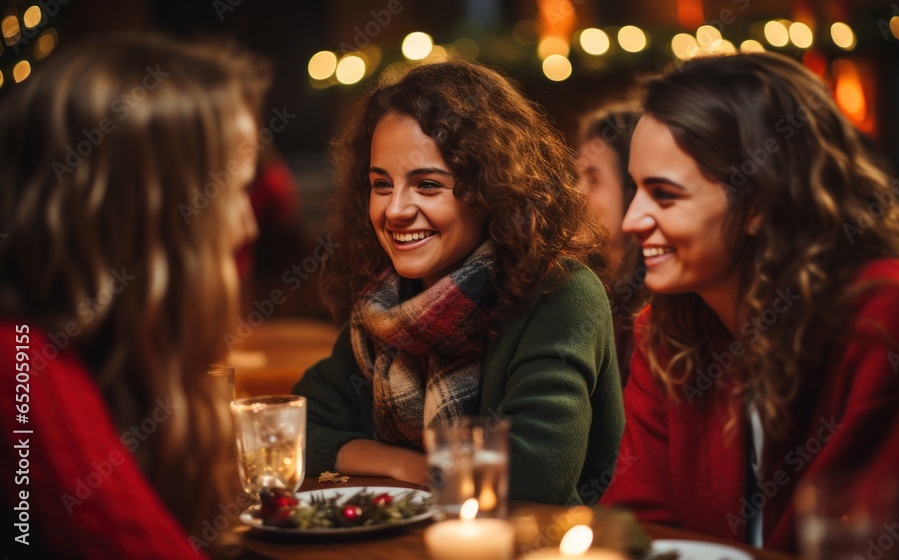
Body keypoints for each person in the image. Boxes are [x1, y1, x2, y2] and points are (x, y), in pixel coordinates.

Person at [599, 53, 899, 558]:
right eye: (636, 188)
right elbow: (635, 529)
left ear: (760, 203)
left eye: (665, 195)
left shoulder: (893, 321)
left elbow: (865, 545)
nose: (633, 220)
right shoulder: (668, 326)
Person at [293, 60, 624, 505]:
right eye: (381, 184)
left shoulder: (560, 293)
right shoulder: (389, 302)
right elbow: (295, 430)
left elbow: (530, 478)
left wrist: (380, 459)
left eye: (427, 184)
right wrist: (405, 465)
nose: (394, 211)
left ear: (493, 189)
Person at [0, 35, 268, 558]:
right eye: (233, 192)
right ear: (151, 212)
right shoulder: (21, 366)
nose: (247, 225)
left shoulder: (80, 351)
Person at [576, 105, 650, 384]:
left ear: (635, 189)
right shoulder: (582, 288)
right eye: (578, 177)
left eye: (593, 180)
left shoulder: (655, 314)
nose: (578, 193)